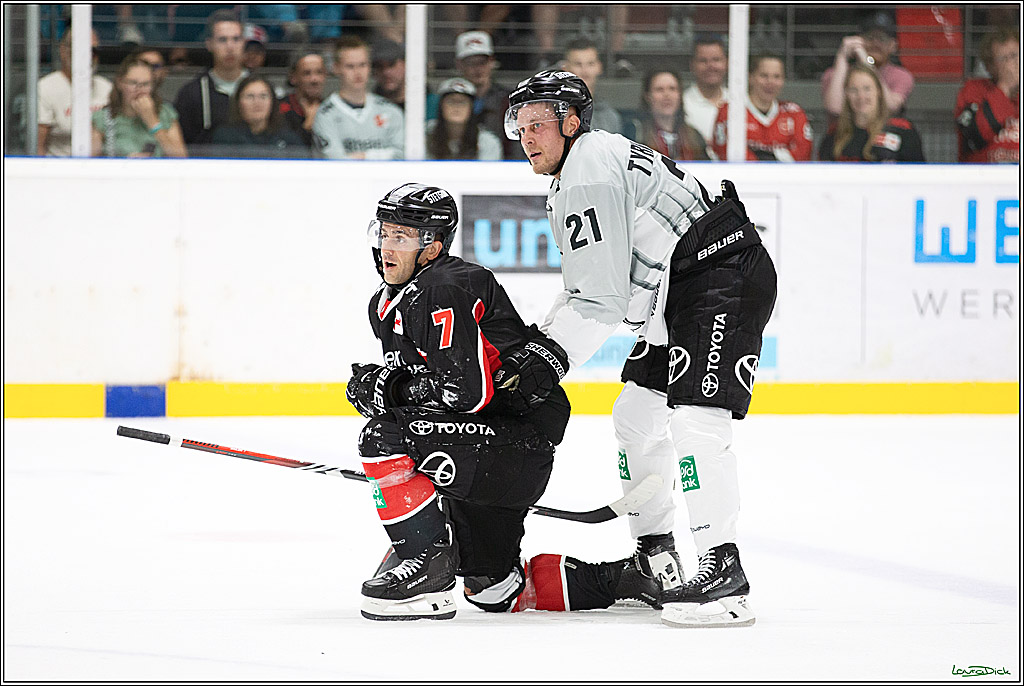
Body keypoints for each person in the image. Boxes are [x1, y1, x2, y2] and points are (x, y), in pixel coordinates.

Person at [502, 70, 778, 628]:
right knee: (636, 415)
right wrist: (542, 345)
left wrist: (547, 358)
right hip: (685, 290)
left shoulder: (584, 167)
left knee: (696, 422)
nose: (528, 137)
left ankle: (723, 571)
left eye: (539, 124)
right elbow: (593, 285)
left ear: (571, 123)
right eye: (520, 127)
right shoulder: (583, 167)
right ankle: (658, 558)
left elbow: (601, 299)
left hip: (718, 277)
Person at [347, 183, 663, 620]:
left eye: (401, 236)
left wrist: (391, 390)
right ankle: (630, 579)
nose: (386, 245)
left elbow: (463, 394)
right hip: (485, 443)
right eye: (383, 233)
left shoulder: (445, 286)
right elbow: (429, 394)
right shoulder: (385, 304)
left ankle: (427, 562)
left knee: (384, 436)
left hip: (514, 444)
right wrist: (392, 390)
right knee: (493, 589)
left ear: (432, 245)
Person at [312, 36, 404, 160]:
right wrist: (382, 156)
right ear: (336, 68)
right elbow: (334, 161)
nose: (358, 72)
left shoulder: (391, 111)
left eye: (362, 65)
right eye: (350, 66)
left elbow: (402, 154)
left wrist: (364, 156)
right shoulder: (325, 115)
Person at [711, 55, 813, 162]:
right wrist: (777, 158)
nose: (770, 82)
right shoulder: (730, 111)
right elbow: (726, 152)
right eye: (764, 76)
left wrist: (762, 158)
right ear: (750, 77)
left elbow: (802, 154)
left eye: (777, 76)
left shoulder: (794, 113)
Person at [172, 10, 247, 152]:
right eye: (222, 40)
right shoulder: (191, 93)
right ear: (209, 44)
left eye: (236, 39)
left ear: (244, 43)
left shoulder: (262, 89)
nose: (230, 47)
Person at [818, 64, 924, 162]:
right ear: (846, 94)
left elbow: (920, 175)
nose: (861, 96)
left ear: (879, 92)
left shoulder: (902, 130)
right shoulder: (834, 134)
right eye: (854, 90)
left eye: (867, 89)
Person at [821, 11, 915, 120]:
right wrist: (842, 55)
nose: (875, 43)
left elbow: (891, 107)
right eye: (869, 37)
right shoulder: (837, 73)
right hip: (846, 134)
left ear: (893, 45)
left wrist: (866, 61)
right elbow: (835, 108)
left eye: (882, 39)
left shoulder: (901, 75)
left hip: (885, 134)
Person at [37, 27, 113, 157]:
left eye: (93, 51)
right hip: (59, 168)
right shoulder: (45, 87)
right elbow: (38, 145)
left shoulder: (107, 87)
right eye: (81, 50)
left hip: (101, 167)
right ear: (63, 50)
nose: (88, 56)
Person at [91, 55, 186, 158]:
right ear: (120, 83)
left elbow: (181, 158)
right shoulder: (102, 118)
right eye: (133, 83)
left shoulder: (165, 113)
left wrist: (153, 121)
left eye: (145, 84)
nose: (139, 89)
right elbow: (89, 163)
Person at [955, 27, 1020, 163]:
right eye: (1004, 59)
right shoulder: (973, 90)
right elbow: (977, 138)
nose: (1014, 63)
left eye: (1016, 55)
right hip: (984, 176)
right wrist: (1005, 88)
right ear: (989, 66)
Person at [210, 75, 307, 159]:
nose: (257, 102)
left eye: (263, 96)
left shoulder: (288, 138)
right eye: (250, 96)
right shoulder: (224, 137)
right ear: (238, 102)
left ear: (272, 101)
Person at [452, 31, 514, 156]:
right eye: (471, 63)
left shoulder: (508, 100)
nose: (478, 69)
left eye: (482, 62)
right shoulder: (449, 99)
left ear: (492, 62)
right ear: (459, 64)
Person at [627, 69, 711, 161]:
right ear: (648, 96)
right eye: (659, 89)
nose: (667, 95)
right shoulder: (635, 134)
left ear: (680, 95)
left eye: (672, 89)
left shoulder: (694, 136)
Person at [426, 78, 503, 160]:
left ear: (472, 108)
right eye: (451, 101)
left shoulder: (488, 142)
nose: (456, 107)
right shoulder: (424, 135)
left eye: (462, 102)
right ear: (441, 106)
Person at [563, 36, 623, 135]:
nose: (585, 71)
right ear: (566, 69)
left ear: (599, 67)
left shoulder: (610, 116)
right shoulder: (553, 113)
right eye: (578, 64)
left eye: (590, 64)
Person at [682, 35, 729, 143]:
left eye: (716, 60)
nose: (710, 66)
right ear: (692, 65)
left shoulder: (740, 102)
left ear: (726, 62)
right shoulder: (682, 104)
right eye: (703, 61)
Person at [279, 48, 327, 150]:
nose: (314, 79)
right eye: (307, 73)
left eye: (319, 72)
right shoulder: (279, 109)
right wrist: (307, 126)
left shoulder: (332, 108)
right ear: (293, 78)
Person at [372, 39, 406, 110]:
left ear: (405, 64)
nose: (386, 72)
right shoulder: (369, 107)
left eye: (391, 64)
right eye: (379, 66)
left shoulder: (428, 102)